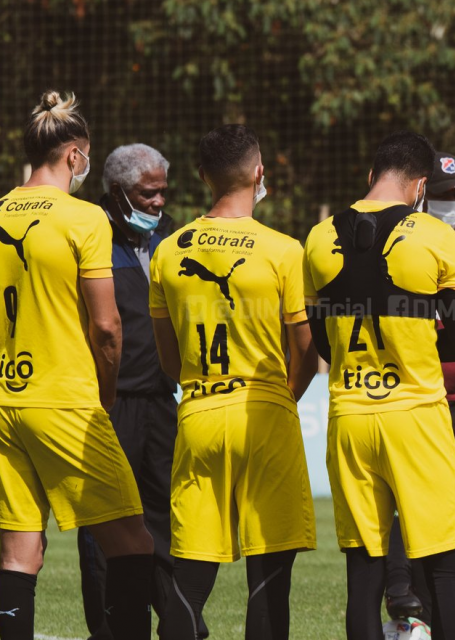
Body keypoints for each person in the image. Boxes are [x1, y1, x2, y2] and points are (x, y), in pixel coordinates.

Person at [303, 130, 455, 640]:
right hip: (415, 415)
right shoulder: (436, 236)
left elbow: (325, 344)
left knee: (364, 571)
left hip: (350, 415)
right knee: (444, 564)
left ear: (371, 176)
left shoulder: (317, 238)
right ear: (421, 185)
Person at [151, 124, 318, 639]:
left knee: (190, 574)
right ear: (259, 172)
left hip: (198, 411)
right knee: (269, 576)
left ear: (203, 177)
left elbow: (168, 358)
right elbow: (308, 352)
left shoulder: (169, 250)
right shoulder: (285, 249)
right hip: (265, 411)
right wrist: (278, 395)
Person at [0, 90, 155, 640]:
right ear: (74, 156)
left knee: (19, 552)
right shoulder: (84, 219)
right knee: (133, 540)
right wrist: (107, 393)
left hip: (6, 401)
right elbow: (107, 327)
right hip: (65, 400)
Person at [383, 150, 455, 620]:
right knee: (412, 508)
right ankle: (404, 601)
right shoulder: (398, 244)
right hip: (414, 398)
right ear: (425, 193)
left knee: (443, 515)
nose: (453, 203)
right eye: (446, 195)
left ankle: (419, 612)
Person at [76, 143, 180, 639]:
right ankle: (111, 629)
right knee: (106, 525)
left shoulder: (174, 238)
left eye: (163, 191)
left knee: (169, 521)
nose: (159, 202)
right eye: (148, 193)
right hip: (106, 405)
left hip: (163, 401)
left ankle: (180, 623)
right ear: (117, 192)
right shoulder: (86, 232)